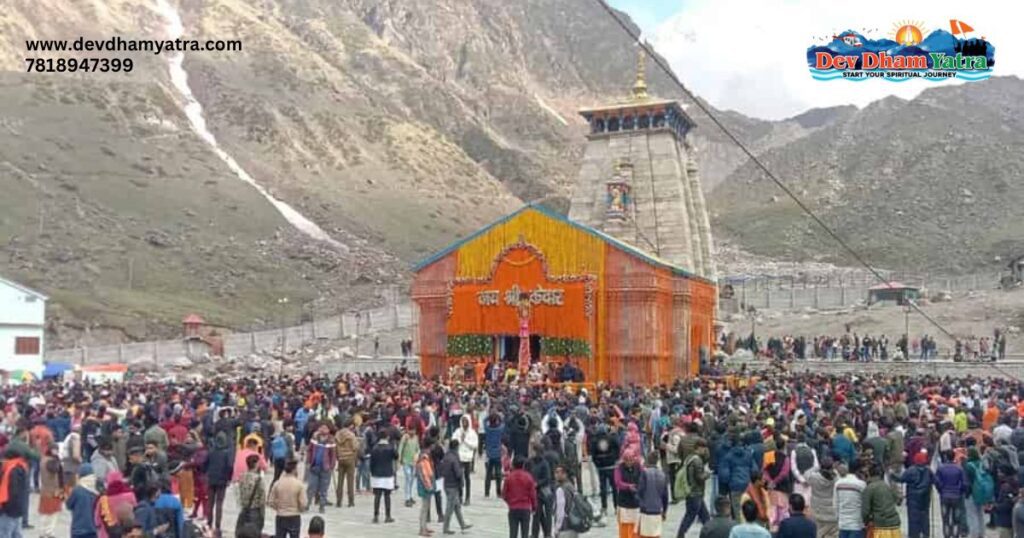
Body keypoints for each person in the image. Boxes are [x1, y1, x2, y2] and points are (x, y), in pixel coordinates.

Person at [891, 450, 933, 538]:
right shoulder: (928, 471)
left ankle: (914, 535)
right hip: (925, 499)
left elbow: (901, 479)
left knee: (913, 519)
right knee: (925, 517)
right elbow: (936, 481)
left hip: (913, 499)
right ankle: (925, 534)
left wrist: (892, 475)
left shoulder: (911, 470)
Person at [676, 439, 710, 538]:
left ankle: (709, 534)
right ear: (699, 447)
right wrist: (707, 474)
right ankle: (680, 535)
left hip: (692, 491)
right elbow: (699, 477)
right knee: (690, 516)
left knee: (705, 517)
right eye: (704, 448)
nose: (704, 450)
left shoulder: (689, 458)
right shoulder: (697, 461)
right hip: (696, 492)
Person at [267, 459, 307, 538]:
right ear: (294, 470)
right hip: (294, 516)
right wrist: (299, 509)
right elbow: (303, 504)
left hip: (281, 516)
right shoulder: (299, 484)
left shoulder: (277, 483)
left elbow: (270, 501)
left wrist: (278, 508)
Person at [440, 439, 471, 535]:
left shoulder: (446, 456)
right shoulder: (454, 458)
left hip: (446, 484)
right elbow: (458, 473)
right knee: (450, 508)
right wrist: (462, 472)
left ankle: (462, 524)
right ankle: (446, 528)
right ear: (457, 447)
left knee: (457, 506)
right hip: (453, 485)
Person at [0, 441, 31, 538]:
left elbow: (12, 491)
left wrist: (5, 507)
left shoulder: (12, 469)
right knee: (16, 533)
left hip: (9, 508)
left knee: (5, 533)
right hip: (18, 507)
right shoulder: (21, 466)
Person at [860, 465, 900, 538]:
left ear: (869, 474)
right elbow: (898, 500)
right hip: (895, 525)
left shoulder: (869, 489)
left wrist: (866, 522)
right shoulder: (887, 486)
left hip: (880, 527)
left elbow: (865, 511)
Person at [205, 432, 233, 534]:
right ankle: (217, 525)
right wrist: (228, 478)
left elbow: (205, 464)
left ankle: (209, 522)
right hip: (222, 480)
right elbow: (229, 467)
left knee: (210, 502)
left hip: (211, 479)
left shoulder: (211, 452)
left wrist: (206, 473)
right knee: (219, 503)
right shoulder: (226, 454)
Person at [503, 456, 537, 538]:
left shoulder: (509, 478)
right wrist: (534, 507)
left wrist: (510, 502)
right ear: (523, 465)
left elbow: (504, 494)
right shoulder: (529, 477)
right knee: (525, 533)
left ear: (513, 465)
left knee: (513, 533)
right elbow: (533, 494)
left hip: (513, 508)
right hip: (525, 508)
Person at [636, 452, 668, 538]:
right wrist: (664, 511)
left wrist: (639, 502)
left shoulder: (645, 473)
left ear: (647, 460)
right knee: (655, 534)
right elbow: (665, 496)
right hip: (657, 509)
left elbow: (640, 491)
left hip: (645, 509)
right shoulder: (663, 475)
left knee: (643, 535)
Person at [306, 425, 337, 514]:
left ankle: (322, 506)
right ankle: (307, 504)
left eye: (325, 428)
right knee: (311, 487)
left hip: (325, 468)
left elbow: (333, 455)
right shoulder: (314, 438)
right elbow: (310, 450)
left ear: (328, 430)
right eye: (321, 427)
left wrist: (332, 466)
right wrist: (308, 462)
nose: (323, 429)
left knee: (324, 488)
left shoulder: (331, 440)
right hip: (314, 466)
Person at [805, 458, 837, 538]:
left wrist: (817, 467)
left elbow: (806, 473)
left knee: (818, 534)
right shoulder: (836, 479)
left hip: (817, 511)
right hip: (832, 513)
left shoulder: (814, 478)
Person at [369, 434, 397, 524]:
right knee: (387, 496)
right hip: (388, 473)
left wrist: (372, 472)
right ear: (387, 437)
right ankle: (387, 516)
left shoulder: (374, 448)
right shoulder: (390, 447)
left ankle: (375, 516)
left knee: (377, 496)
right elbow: (396, 456)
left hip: (377, 474)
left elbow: (371, 462)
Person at [39, 442, 65, 538]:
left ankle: (44, 532)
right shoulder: (51, 461)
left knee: (46, 513)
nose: (56, 451)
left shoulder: (43, 459)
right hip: (53, 490)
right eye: (54, 449)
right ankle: (48, 532)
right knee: (52, 513)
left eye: (57, 449)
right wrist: (57, 459)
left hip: (47, 489)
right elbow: (54, 469)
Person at [236, 454, 265, 537]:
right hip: (255, 510)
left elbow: (239, 494)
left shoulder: (242, 476)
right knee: (253, 533)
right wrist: (262, 514)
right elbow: (262, 499)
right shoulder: (258, 479)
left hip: (244, 509)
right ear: (256, 464)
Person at [66, 463, 99, 538]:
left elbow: (68, 505)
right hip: (93, 529)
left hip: (78, 529)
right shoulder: (96, 490)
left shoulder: (77, 490)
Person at [615, 448, 642, 538]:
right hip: (624, 503)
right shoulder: (619, 468)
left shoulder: (638, 466)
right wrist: (628, 486)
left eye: (631, 459)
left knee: (636, 527)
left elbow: (643, 478)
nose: (629, 462)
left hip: (636, 502)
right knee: (625, 528)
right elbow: (618, 483)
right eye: (627, 460)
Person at [832, 463, 864, 538]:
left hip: (843, 524)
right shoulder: (861, 484)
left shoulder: (838, 483)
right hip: (857, 524)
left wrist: (839, 519)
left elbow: (835, 504)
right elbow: (864, 504)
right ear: (858, 471)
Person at [452, 416, 479, 505]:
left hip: (467, 458)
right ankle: (460, 496)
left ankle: (467, 498)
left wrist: (465, 440)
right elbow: (453, 442)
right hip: (459, 457)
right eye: (463, 421)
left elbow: (475, 445)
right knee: (459, 477)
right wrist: (460, 439)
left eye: (466, 422)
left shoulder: (472, 433)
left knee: (467, 478)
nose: (464, 424)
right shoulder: (457, 431)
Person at [334, 420, 358, 509]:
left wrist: (337, 457)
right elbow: (355, 447)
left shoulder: (337, 434)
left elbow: (335, 447)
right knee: (350, 481)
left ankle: (338, 501)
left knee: (340, 481)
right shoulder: (351, 435)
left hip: (341, 458)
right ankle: (351, 501)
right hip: (350, 458)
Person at [415, 446, 437, 538]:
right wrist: (429, 486)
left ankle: (424, 527)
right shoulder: (423, 462)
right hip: (425, 488)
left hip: (425, 487)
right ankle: (422, 529)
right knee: (424, 508)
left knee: (426, 507)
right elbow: (425, 476)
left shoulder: (423, 460)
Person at [484, 413, 506, 499]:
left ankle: (486, 492)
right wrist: (498, 416)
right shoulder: (500, 429)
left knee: (488, 474)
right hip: (497, 453)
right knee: (498, 474)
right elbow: (503, 422)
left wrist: (489, 416)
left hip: (489, 454)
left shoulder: (487, 429)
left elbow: (484, 421)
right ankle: (498, 492)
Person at [552, 465, 577, 538]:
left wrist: (557, 528)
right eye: (556, 472)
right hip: (574, 525)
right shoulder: (571, 487)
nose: (557, 475)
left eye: (559, 472)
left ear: (565, 474)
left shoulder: (560, 490)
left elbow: (560, 511)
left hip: (564, 527)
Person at [399, 427, 421, 508]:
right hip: (406, 461)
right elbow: (400, 448)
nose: (412, 431)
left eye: (414, 430)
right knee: (408, 478)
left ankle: (411, 495)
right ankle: (407, 498)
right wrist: (399, 458)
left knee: (412, 479)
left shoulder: (416, 438)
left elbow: (418, 448)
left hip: (413, 461)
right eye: (411, 430)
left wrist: (417, 455)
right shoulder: (405, 438)